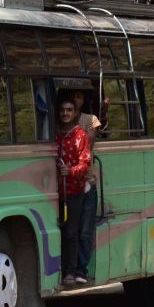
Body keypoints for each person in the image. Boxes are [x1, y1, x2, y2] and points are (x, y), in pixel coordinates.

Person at [56, 98, 91, 287]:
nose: (65, 113)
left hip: (74, 192)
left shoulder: (80, 135)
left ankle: (70, 271)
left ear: (75, 113)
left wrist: (70, 171)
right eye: (62, 110)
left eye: (69, 109)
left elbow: (85, 164)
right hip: (54, 193)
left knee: (71, 232)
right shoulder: (54, 134)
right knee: (58, 231)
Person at [72, 90, 101, 284]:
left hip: (86, 182)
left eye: (79, 96)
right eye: (73, 96)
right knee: (70, 230)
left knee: (84, 230)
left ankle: (81, 269)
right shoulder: (59, 120)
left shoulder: (90, 120)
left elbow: (86, 143)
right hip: (67, 184)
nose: (76, 99)